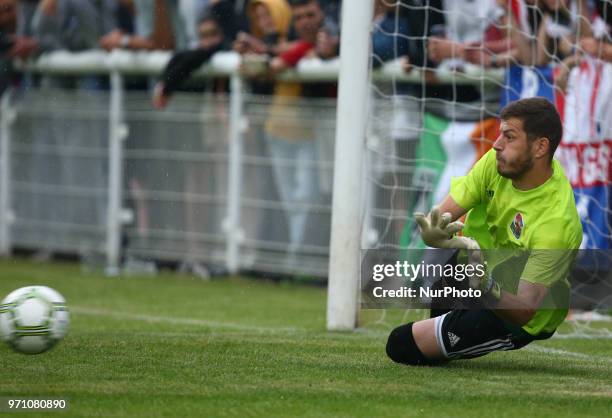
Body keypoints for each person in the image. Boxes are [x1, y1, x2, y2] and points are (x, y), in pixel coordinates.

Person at [386, 97, 582, 365]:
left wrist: (487, 285)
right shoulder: (496, 162)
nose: (497, 144)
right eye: (500, 134)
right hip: (473, 269)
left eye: (509, 137)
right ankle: (446, 337)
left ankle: (448, 336)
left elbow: (524, 309)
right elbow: (443, 214)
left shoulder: (557, 223)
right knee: (425, 338)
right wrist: (431, 233)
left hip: (516, 314)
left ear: (540, 147)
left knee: (400, 344)